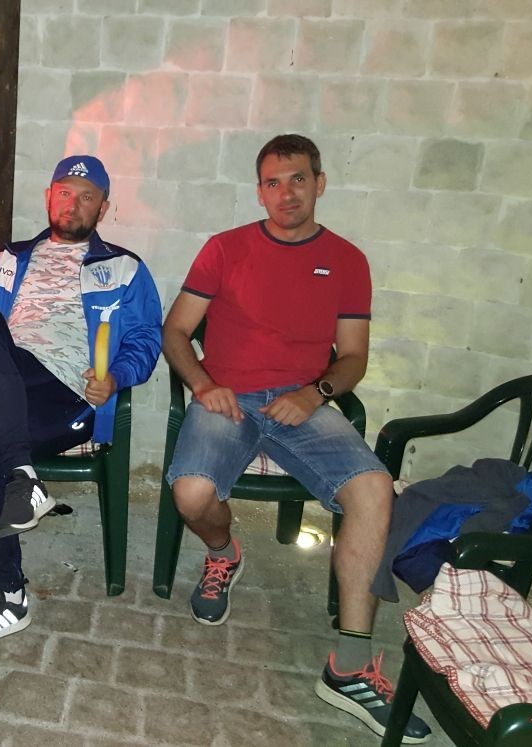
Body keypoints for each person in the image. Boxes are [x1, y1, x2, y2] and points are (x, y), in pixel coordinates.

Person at [161, 135, 431, 742]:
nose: (286, 193)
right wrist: (204, 385)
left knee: (373, 487)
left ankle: (350, 666)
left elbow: (353, 356)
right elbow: (175, 331)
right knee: (191, 495)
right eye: (273, 183)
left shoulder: (347, 259)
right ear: (260, 191)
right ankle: (224, 552)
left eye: (298, 179)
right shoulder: (225, 248)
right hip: (227, 397)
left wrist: (316, 393)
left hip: (301, 403)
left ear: (320, 183)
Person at [0, 155, 162, 648]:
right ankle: (23, 492)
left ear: (103, 208)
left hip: (70, 394)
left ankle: (8, 589)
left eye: (86, 196)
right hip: (9, 386)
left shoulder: (124, 268)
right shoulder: (9, 259)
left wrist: (116, 377)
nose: (72, 204)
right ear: (48, 197)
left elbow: (146, 338)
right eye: (64, 192)